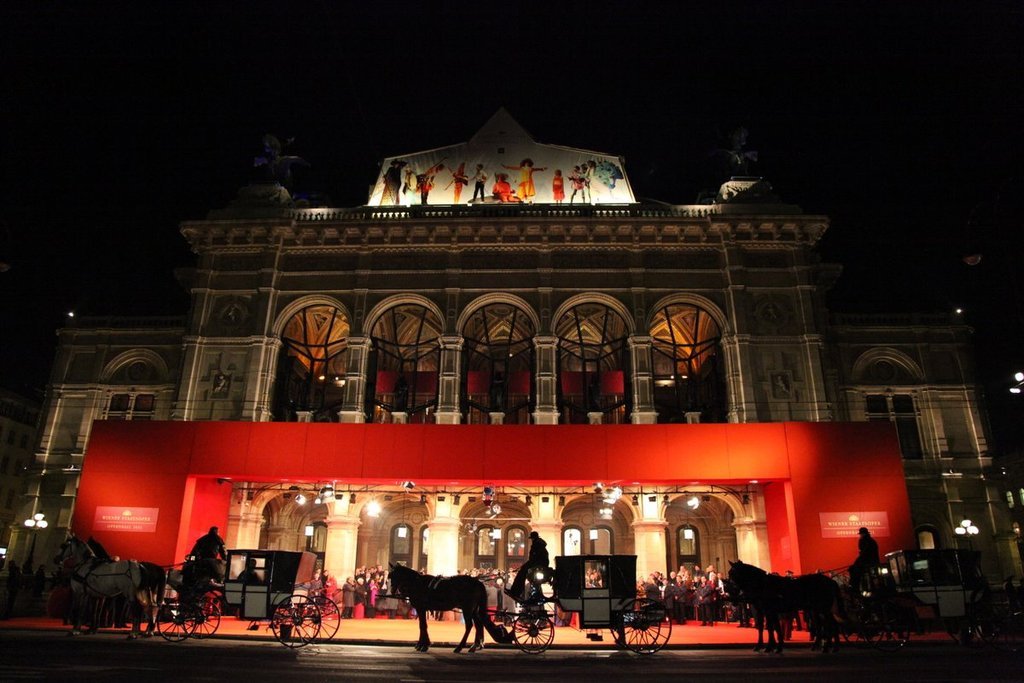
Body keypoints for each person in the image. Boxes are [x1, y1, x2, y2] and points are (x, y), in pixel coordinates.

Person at [506, 531, 549, 601]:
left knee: (521, 573)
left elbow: (534, 558)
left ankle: (516, 591)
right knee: (523, 571)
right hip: (540, 563)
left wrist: (524, 566)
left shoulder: (536, 545)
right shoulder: (540, 544)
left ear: (533, 538)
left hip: (537, 563)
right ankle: (517, 591)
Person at [848, 526, 880, 594]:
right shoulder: (871, 540)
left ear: (863, 534)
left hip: (868, 561)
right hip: (872, 561)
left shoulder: (864, 541)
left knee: (853, 570)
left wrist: (858, 561)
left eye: (861, 534)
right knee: (854, 568)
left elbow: (864, 553)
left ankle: (855, 588)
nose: (860, 535)